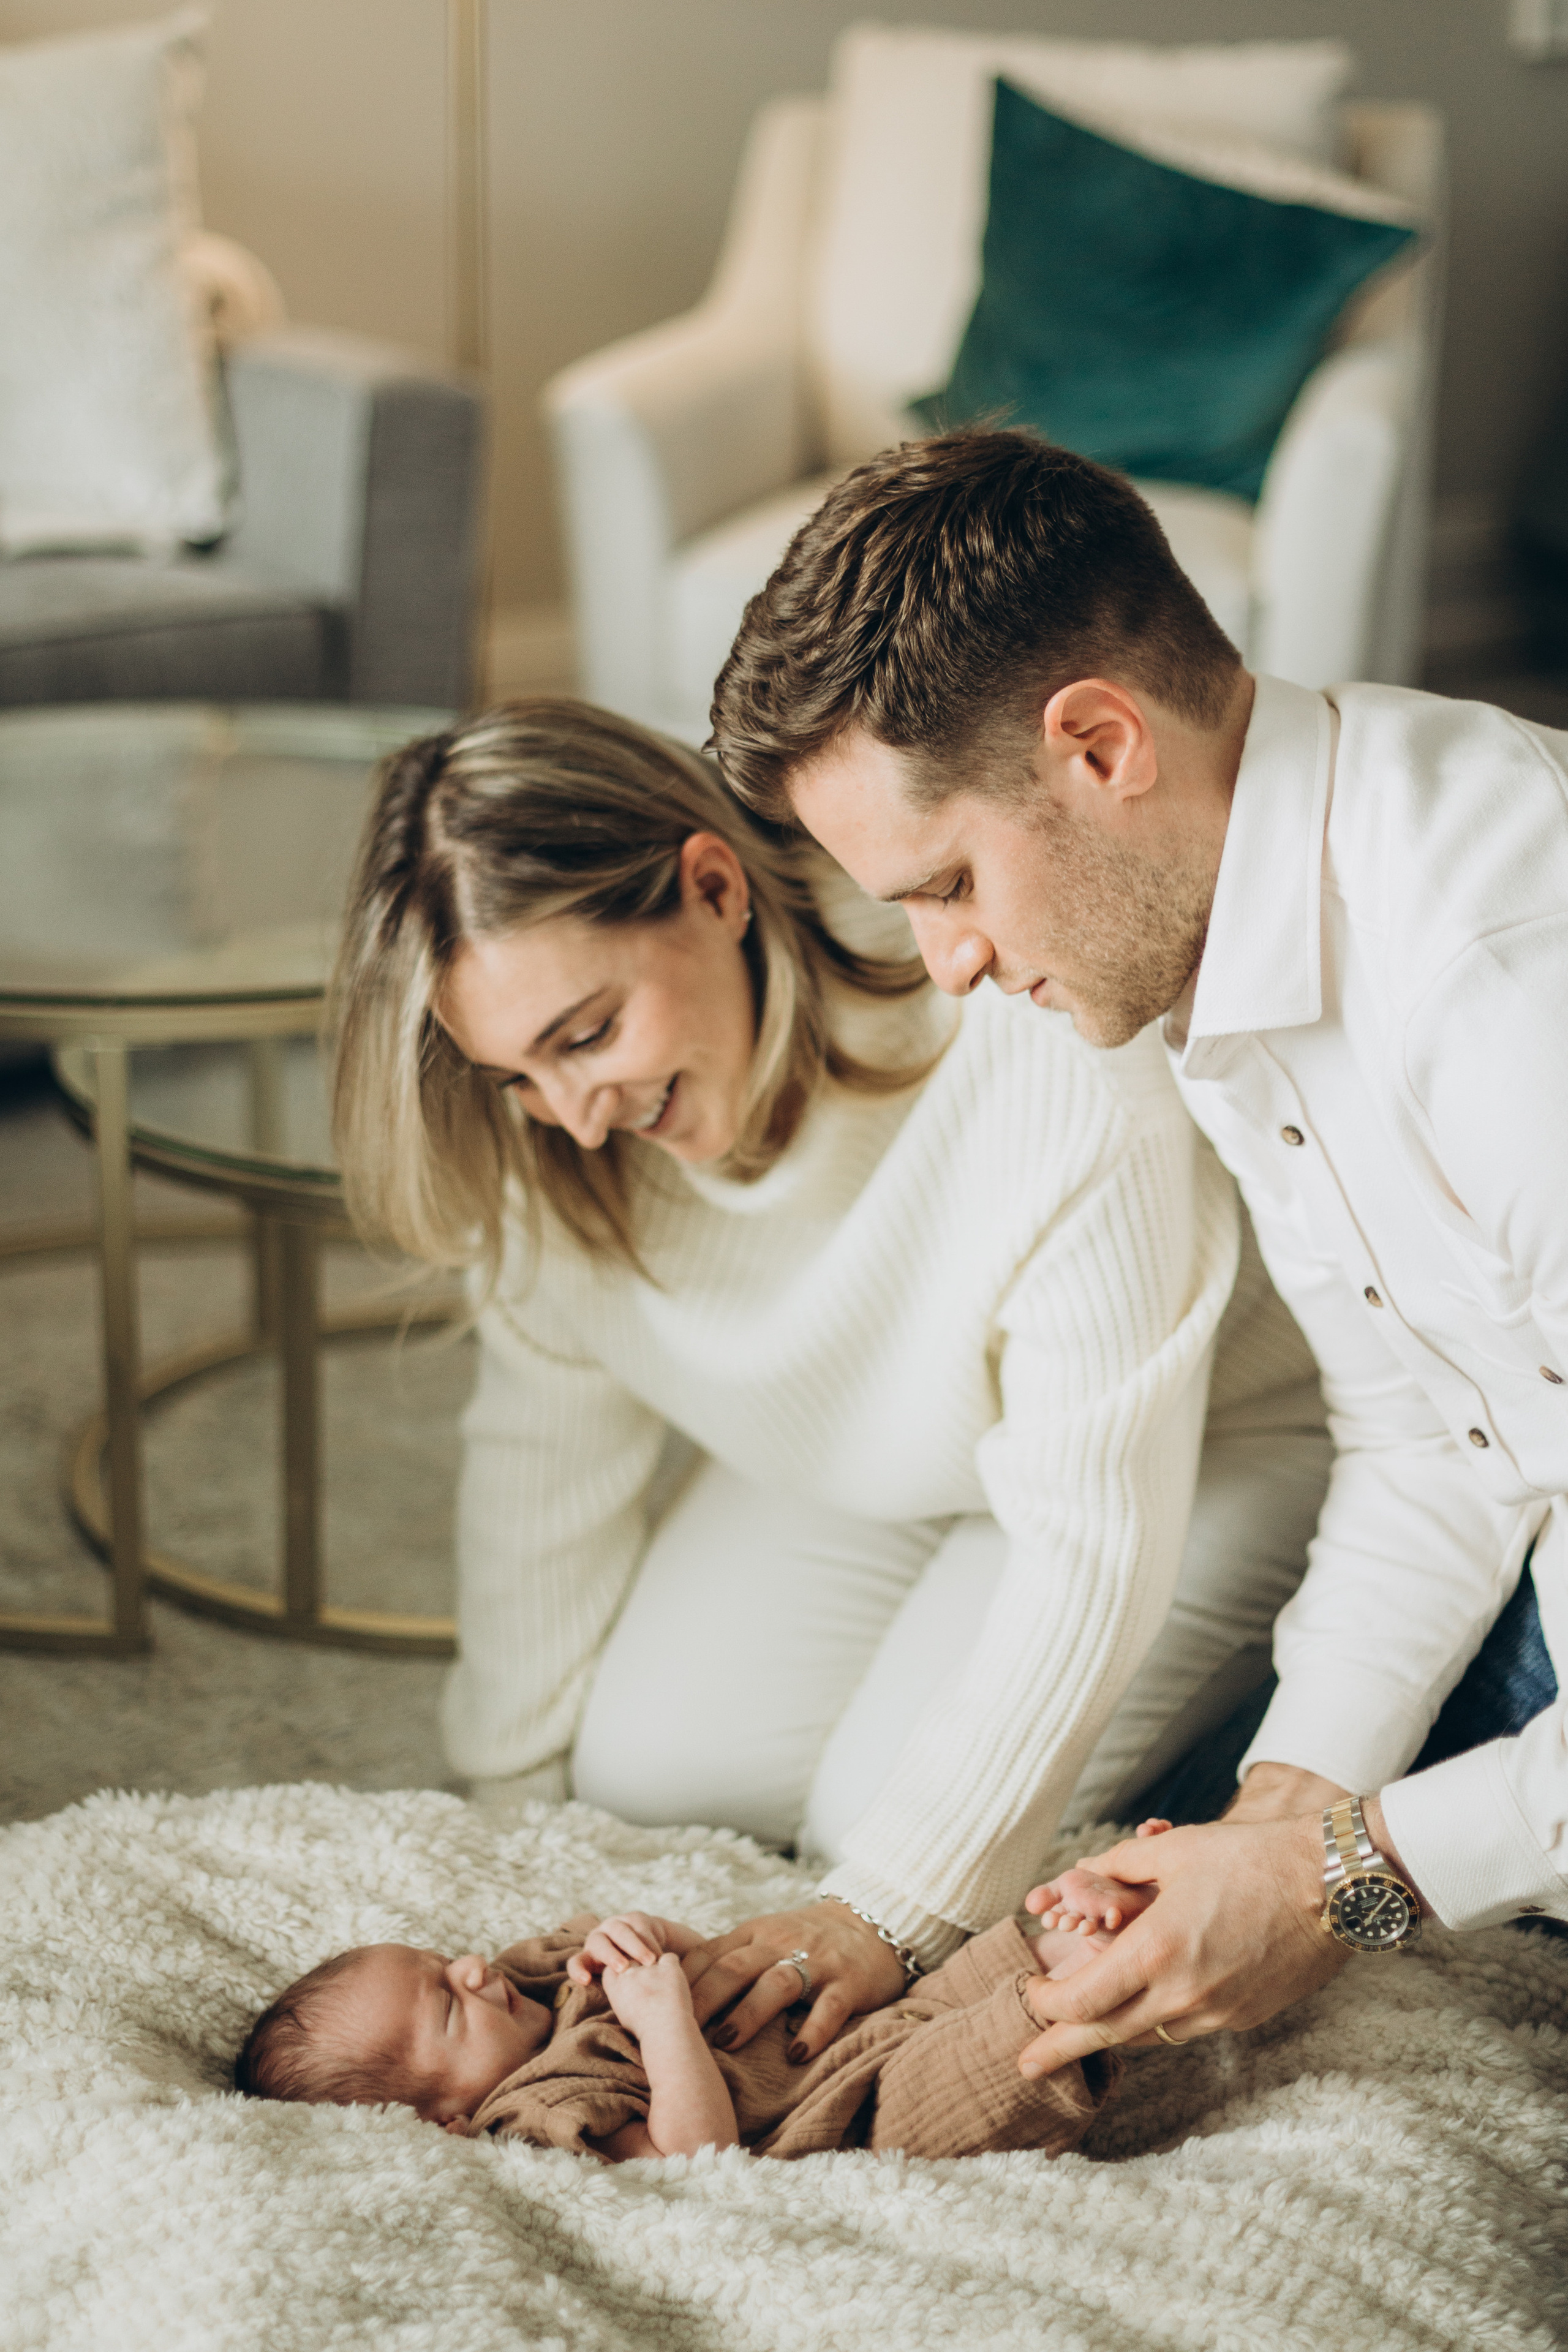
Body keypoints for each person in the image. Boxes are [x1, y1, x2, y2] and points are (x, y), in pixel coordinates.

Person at [707, 423, 1567, 2081]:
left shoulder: (1503, 975)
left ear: (1101, 745)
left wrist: (1348, 1888)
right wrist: (1289, 1815)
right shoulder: (1216, 936)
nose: (946, 964)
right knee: (1189, 1848)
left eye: (948, 882)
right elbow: (1430, 1434)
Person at [330, 698, 1324, 2070]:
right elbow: (538, 1477)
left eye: (587, 1032)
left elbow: (1089, 1546)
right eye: (514, 1075)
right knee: (650, 1776)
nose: (572, 1114)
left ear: (713, 887)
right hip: (894, 1451)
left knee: (880, 1828)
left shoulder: (1018, 1033)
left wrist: (890, 1906)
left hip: (1197, 1441)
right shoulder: (556, 1151)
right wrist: (508, 1822)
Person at [232, 1894, 1142, 2160]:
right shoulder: (536, 2116)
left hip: (862, 2022)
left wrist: (661, 1945)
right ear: (444, 2118)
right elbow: (691, 2158)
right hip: (855, 2114)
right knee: (1026, 2034)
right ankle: (1132, 1964)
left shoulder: (540, 1980)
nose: (472, 1972)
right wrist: (662, 2022)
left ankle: (1113, 1917)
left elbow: (719, 1980)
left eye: (441, 1963)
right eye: (445, 2005)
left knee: (1020, 1943)